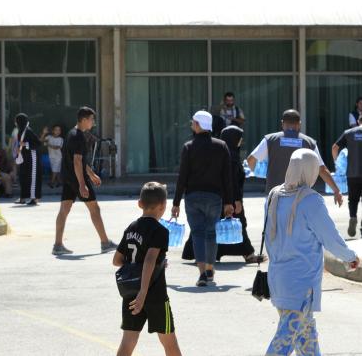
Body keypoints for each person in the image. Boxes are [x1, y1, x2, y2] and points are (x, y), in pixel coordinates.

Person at [264, 149, 359, 356]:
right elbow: (330, 237)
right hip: (302, 283)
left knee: (306, 337)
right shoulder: (310, 200)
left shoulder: (274, 195)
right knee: (284, 340)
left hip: (278, 279)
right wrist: (350, 257)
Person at [113, 182, 181, 356]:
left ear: (140, 203)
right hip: (154, 294)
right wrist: (144, 291)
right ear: (163, 206)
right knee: (169, 342)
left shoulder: (131, 228)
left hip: (131, 293)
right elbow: (150, 259)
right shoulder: (160, 231)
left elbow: (117, 260)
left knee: (128, 340)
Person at [171, 111, 234, 286]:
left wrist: (176, 202)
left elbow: (182, 177)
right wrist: (229, 201)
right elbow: (227, 177)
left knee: (197, 233)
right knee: (211, 233)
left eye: (193, 122)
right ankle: (209, 268)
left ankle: (202, 274)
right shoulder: (221, 146)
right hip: (215, 197)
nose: (192, 125)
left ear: (198, 125)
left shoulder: (188, 147)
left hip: (193, 197)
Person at [53, 106, 118, 255]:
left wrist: (91, 174)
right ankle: (105, 242)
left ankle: (57, 245)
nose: (93, 123)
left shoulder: (71, 133)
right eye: (91, 120)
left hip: (69, 177)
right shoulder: (78, 136)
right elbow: (77, 161)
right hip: (77, 178)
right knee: (94, 209)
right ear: (83, 120)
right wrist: (83, 184)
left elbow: (79, 159)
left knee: (64, 209)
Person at [246, 109, 344, 207]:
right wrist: (336, 190)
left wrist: (261, 173)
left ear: (282, 123)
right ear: (299, 124)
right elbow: (322, 170)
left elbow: (251, 160)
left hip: (275, 196)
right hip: (301, 198)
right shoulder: (309, 142)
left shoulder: (270, 140)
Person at [216, 126, 266, 263]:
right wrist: (236, 200)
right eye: (239, 138)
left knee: (223, 225)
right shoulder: (231, 156)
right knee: (239, 225)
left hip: (222, 197)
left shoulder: (224, 153)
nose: (241, 141)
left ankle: (214, 254)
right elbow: (232, 180)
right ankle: (248, 254)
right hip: (231, 197)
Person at [14, 113, 42, 206]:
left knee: (32, 178)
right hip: (25, 158)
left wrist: (25, 144)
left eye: (17, 121)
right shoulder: (21, 131)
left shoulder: (28, 131)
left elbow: (38, 144)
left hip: (32, 158)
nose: (15, 123)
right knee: (23, 177)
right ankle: (23, 198)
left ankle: (34, 199)